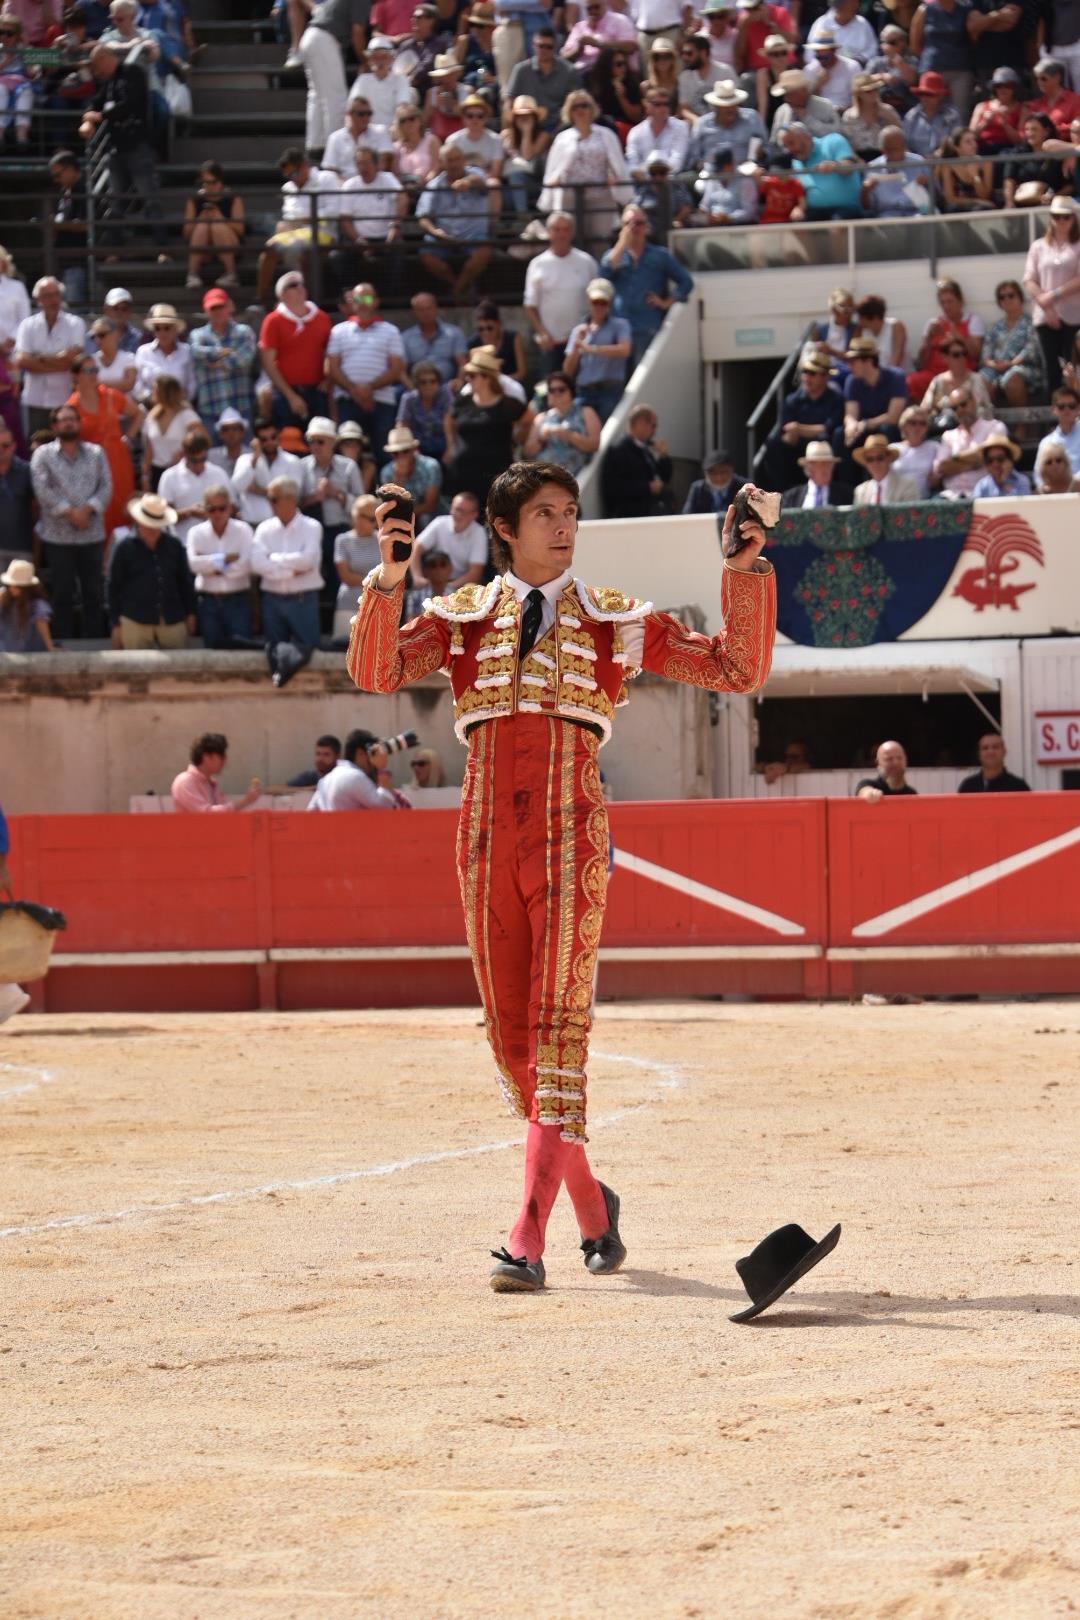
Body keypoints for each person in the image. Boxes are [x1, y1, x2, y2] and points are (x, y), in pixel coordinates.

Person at [345, 458, 776, 1291]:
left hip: (571, 832)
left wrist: (744, 570)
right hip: (483, 839)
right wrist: (390, 577)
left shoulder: (615, 618)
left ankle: (526, 1238)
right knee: (512, 1044)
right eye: (545, 513)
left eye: (571, 511)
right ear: (505, 530)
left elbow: (736, 670)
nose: (565, 525)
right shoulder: (463, 615)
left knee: (557, 1030)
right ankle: (591, 1205)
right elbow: (375, 672)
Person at [29, 402, 111, 637]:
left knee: (93, 593)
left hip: (91, 534)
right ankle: (64, 642)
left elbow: (106, 486)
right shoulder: (43, 455)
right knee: (62, 593)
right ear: (55, 426)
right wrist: (71, 513)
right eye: (64, 420)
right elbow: (42, 489)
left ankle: (94, 640)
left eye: (72, 419)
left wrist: (88, 510)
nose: (69, 424)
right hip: (58, 537)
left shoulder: (96, 453)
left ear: (79, 423)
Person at [78, 44, 165, 259]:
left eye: (97, 65)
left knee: (149, 195)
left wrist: (101, 117)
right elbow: (95, 102)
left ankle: (162, 245)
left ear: (106, 58)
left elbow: (130, 103)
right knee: (115, 198)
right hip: (116, 147)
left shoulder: (131, 72)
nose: (97, 71)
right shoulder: (109, 82)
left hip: (136, 144)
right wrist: (88, 116)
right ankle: (114, 248)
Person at [601, 203, 693, 367]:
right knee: (620, 380)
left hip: (647, 327)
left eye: (639, 223)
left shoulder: (660, 255)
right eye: (628, 223)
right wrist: (622, 244)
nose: (634, 228)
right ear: (621, 227)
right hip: (619, 331)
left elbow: (686, 282)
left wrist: (666, 303)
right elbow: (603, 276)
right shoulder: (613, 255)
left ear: (646, 227)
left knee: (643, 375)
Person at [538, 89, 630, 252]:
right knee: (571, 241)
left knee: (600, 241)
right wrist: (554, 180)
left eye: (584, 105)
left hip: (600, 195)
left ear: (591, 108)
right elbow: (554, 167)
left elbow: (616, 162)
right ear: (569, 111)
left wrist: (613, 175)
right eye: (575, 107)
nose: (580, 110)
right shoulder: (562, 138)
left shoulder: (606, 134)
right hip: (570, 196)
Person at [324, 283, 406, 461]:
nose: (362, 303)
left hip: (382, 401)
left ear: (376, 302)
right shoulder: (338, 331)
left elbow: (397, 368)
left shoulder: (391, 331)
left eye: (367, 298)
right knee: (347, 457)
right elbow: (332, 368)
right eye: (358, 299)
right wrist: (355, 391)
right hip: (348, 400)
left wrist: (369, 389)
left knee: (384, 454)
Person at [106, 491, 197, 649]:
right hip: (134, 619)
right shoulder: (124, 548)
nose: (152, 529)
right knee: (135, 663)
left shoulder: (174, 546)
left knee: (178, 662)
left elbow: (185, 582)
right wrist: (116, 624)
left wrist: (191, 613)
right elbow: (113, 587)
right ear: (139, 521)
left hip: (171, 617)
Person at [66, 352, 139, 538]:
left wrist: (129, 437)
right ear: (76, 376)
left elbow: (139, 414)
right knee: (100, 512)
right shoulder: (71, 406)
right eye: (88, 371)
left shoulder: (111, 395)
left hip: (118, 462)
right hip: (92, 467)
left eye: (95, 370)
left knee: (123, 508)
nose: (94, 374)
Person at [443, 345, 528, 504]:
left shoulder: (508, 404)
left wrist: (518, 441)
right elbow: (449, 418)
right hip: (463, 473)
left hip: (495, 474)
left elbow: (528, 420)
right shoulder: (463, 401)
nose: (468, 379)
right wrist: (450, 445)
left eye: (472, 375)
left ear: (487, 377)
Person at [257, 148, 341, 306]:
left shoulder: (327, 178)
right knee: (269, 249)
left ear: (304, 166)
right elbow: (289, 215)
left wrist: (306, 218)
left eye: (293, 174)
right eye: (287, 175)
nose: (291, 179)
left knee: (299, 251)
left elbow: (334, 210)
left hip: (323, 232)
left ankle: (304, 302)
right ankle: (260, 300)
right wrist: (295, 222)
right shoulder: (288, 187)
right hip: (293, 232)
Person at [250, 474, 323, 653]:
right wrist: (291, 570)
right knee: (274, 656)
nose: (269, 503)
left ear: (291, 500)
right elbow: (256, 564)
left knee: (309, 654)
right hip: (272, 601)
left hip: (303, 601)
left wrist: (273, 558)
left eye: (274, 499)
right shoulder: (264, 528)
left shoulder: (312, 526)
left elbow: (308, 561)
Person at [417, 142, 498, 302]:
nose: (454, 164)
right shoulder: (435, 185)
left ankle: (456, 291)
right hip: (444, 238)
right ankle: (460, 288)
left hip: (473, 235)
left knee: (485, 251)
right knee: (426, 256)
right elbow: (422, 217)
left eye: (457, 159)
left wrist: (468, 182)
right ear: (442, 163)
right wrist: (435, 232)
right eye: (450, 160)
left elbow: (482, 183)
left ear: (463, 160)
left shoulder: (476, 173)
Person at [522, 211, 597, 377]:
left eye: (566, 229)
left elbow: (597, 300)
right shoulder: (537, 264)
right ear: (549, 232)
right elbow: (530, 305)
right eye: (557, 229)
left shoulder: (587, 262)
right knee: (552, 388)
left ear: (572, 232)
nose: (562, 234)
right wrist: (542, 333)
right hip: (551, 344)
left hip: (582, 342)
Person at [258, 271, 332, 431]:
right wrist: (291, 396)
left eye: (301, 284)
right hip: (285, 394)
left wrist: (328, 379)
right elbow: (268, 363)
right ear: (282, 295)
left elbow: (330, 353)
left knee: (319, 439)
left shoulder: (322, 318)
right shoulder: (273, 320)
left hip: (317, 392)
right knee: (289, 440)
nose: (300, 287)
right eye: (293, 285)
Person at [14, 276, 86, 438]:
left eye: (56, 294)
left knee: (66, 444)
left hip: (65, 399)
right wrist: (59, 360)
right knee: (35, 445)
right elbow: (22, 361)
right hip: (34, 399)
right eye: (47, 296)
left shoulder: (75, 323)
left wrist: (38, 359)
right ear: (38, 300)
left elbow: (73, 360)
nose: (53, 300)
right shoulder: (27, 325)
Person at [184, 482, 254, 647]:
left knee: (242, 650)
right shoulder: (195, 533)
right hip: (208, 603)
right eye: (212, 509)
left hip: (238, 600)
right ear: (204, 510)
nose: (217, 513)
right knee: (212, 652)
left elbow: (247, 565)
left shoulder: (243, 530)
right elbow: (193, 565)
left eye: (221, 508)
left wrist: (210, 565)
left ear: (230, 508)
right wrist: (225, 560)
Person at [333, 144, 408, 293]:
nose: (363, 168)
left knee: (398, 254)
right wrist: (358, 239)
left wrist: (395, 226)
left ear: (376, 164)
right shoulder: (350, 185)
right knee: (338, 257)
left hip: (386, 237)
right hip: (358, 238)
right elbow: (345, 219)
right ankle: (352, 296)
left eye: (367, 163)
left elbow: (402, 198)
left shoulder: (387, 179)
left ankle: (391, 299)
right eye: (359, 164)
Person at [297, 0, 368, 154]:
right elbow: (357, 33)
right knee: (336, 98)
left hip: (310, 37)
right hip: (324, 39)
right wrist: (365, 61)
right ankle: (336, 151)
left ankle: (315, 146)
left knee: (317, 96)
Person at [1023, 196, 1080, 389]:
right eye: (1057, 216)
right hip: (1045, 317)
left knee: (1074, 369)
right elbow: (1029, 279)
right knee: (1051, 370)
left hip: (1074, 317)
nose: (1061, 221)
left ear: (1073, 218)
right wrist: (1046, 306)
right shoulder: (1038, 246)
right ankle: (1054, 407)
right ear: (1050, 218)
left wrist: (1053, 295)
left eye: (1066, 217)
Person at [766, 351, 845, 488]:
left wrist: (799, 429)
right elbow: (786, 433)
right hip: (799, 449)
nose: (807, 377)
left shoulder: (836, 399)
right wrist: (796, 433)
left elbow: (830, 427)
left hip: (826, 447)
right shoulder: (792, 400)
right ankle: (781, 492)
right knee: (773, 444)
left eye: (812, 373)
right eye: (805, 372)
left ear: (825, 376)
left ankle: (839, 488)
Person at [562, 276, 632, 423]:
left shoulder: (620, 325)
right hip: (584, 392)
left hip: (610, 391)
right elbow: (567, 371)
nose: (599, 307)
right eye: (595, 302)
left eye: (603, 303)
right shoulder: (578, 330)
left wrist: (592, 349)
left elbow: (625, 350)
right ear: (589, 302)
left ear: (609, 304)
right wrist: (576, 347)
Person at [907, 274, 985, 399]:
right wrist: (928, 339)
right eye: (942, 302)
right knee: (911, 381)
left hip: (961, 373)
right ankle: (924, 410)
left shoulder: (973, 321)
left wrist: (959, 338)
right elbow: (921, 362)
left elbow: (976, 354)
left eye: (950, 301)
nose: (946, 306)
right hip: (933, 374)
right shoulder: (933, 323)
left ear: (960, 301)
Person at [189, 290, 256, 429]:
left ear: (229, 307)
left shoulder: (244, 332)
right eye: (213, 308)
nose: (218, 311)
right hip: (211, 409)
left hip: (241, 407)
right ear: (206, 311)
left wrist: (217, 362)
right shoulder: (197, 334)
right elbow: (195, 352)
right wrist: (221, 352)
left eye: (221, 306)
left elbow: (245, 359)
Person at [158, 426, 235, 542]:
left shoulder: (219, 473)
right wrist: (189, 512)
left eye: (202, 459)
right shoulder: (169, 476)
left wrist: (213, 512)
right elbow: (163, 515)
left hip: (216, 543)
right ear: (184, 454)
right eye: (194, 461)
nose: (199, 465)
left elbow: (232, 508)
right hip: (181, 543)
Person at [929, 384, 1006, 498]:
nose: (960, 410)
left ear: (974, 402)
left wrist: (955, 459)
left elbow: (988, 457)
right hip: (951, 496)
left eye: (963, 404)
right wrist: (974, 463)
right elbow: (942, 467)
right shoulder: (948, 436)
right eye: (955, 408)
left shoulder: (994, 427)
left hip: (984, 494)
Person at [778, 120, 862, 221]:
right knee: (797, 225)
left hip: (846, 209)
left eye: (791, 143)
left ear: (805, 137)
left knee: (837, 226)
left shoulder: (834, 141)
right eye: (785, 146)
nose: (789, 149)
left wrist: (836, 166)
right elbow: (800, 193)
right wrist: (799, 208)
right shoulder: (795, 162)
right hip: (814, 211)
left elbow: (849, 168)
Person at [600, 401, 671, 517]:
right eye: (653, 426)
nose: (655, 431)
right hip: (630, 517)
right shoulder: (619, 450)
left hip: (649, 513)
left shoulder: (645, 449)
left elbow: (665, 477)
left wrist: (663, 456)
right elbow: (613, 488)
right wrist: (647, 487)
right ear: (640, 423)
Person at [841, 336, 908, 459]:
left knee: (887, 429)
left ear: (868, 361)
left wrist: (866, 424)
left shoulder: (895, 377)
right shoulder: (852, 381)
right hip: (863, 429)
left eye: (853, 362)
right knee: (840, 434)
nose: (849, 366)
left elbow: (893, 417)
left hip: (885, 428)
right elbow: (851, 413)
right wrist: (851, 425)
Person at [183, 160, 245, 291]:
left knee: (217, 225)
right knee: (203, 225)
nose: (210, 187)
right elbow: (187, 232)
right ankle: (192, 274)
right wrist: (199, 219)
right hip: (203, 247)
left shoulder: (233, 198)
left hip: (228, 244)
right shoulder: (194, 198)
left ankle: (231, 274)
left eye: (214, 182)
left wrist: (221, 218)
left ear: (221, 181)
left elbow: (240, 230)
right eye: (206, 183)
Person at [978, 281, 1041, 410]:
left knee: (1013, 378)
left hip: (1022, 368)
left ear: (1020, 297)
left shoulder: (1030, 323)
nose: (1007, 299)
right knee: (981, 379)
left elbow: (1031, 350)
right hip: (997, 369)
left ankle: (1020, 421)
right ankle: (989, 419)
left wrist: (1010, 364)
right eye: (1002, 297)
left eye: (1011, 295)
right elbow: (985, 356)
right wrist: (994, 365)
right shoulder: (995, 327)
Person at [504, 25, 580, 133]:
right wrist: (509, 129)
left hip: (557, 126)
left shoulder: (569, 71)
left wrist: (557, 132)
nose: (544, 50)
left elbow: (573, 104)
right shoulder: (521, 70)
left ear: (555, 48)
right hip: (525, 123)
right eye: (540, 46)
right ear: (533, 46)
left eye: (548, 47)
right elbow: (509, 102)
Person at [524, 371, 600, 476]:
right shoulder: (541, 418)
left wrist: (568, 435)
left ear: (571, 391)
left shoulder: (586, 412)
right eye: (552, 390)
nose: (556, 393)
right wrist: (541, 439)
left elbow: (594, 445)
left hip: (574, 475)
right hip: (545, 475)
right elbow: (528, 452)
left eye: (561, 389)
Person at [233, 416, 303, 528]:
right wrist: (254, 460)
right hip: (251, 524)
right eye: (264, 439)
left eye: (273, 437)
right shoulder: (245, 460)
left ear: (278, 436)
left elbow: (293, 495)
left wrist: (260, 490)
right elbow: (238, 486)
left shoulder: (292, 461)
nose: (270, 442)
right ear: (256, 440)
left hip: (282, 525)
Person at [307, 727, 399, 810]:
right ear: (361, 753)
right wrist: (381, 768)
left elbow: (311, 811)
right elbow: (385, 807)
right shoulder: (355, 777)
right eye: (372, 754)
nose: (373, 760)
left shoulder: (326, 780)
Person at [413, 489, 487, 589]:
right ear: (451, 508)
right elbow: (416, 548)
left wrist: (447, 588)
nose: (459, 515)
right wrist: (417, 577)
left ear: (475, 515)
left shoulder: (479, 533)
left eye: (465, 512)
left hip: (461, 587)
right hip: (433, 582)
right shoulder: (439, 522)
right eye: (457, 509)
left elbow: (475, 573)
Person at [171, 732, 262, 812]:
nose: (224, 761)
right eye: (221, 756)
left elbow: (224, 813)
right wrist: (245, 801)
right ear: (206, 757)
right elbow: (206, 815)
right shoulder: (185, 782)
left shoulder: (211, 783)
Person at [140, 374, 201, 493]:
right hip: (156, 472)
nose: (152, 392)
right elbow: (149, 449)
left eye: (155, 389)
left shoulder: (187, 415)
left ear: (165, 393)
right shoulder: (151, 417)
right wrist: (145, 476)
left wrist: (184, 453)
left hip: (182, 471)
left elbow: (201, 441)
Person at [687, 78, 767, 168]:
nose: (730, 109)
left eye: (733, 104)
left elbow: (767, 151)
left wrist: (761, 153)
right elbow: (693, 158)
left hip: (747, 171)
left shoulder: (752, 118)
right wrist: (704, 165)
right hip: (712, 172)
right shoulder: (702, 124)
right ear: (716, 107)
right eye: (725, 106)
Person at [332, 491, 382, 636]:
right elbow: (345, 577)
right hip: (349, 601)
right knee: (345, 644)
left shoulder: (382, 539)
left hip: (377, 602)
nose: (375, 523)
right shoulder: (342, 540)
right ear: (357, 516)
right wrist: (376, 582)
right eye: (371, 519)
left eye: (377, 519)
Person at [379, 423, 442, 525]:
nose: (401, 456)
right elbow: (392, 506)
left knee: (425, 518)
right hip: (404, 516)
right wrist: (399, 483)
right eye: (396, 453)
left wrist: (404, 513)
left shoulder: (431, 466)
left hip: (430, 517)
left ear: (414, 449)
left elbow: (431, 506)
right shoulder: (386, 472)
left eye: (405, 451)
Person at [48, 149, 89, 308]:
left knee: (75, 310)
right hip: (65, 260)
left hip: (77, 260)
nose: (56, 180)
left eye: (58, 175)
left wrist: (57, 225)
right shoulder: (66, 192)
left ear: (71, 169)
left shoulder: (83, 190)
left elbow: (84, 224)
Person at [348, 33, 416, 129]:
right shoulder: (362, 80)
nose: (380, 61)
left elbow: (402, 109)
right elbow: (353, 108)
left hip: (393, 132)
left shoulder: (401, 80)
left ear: (391, 59)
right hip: (366, 131)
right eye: (375, 57)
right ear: (369, 60)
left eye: (384, 57)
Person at [861, 127, 931, 218]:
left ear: (904, 147)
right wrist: (865, 191)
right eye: (888, 150)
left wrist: (927, 183)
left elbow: (936, 196)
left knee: (923, 220)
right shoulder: (873, 168)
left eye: (896, 149)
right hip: (887, 214)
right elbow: (867, 208)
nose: (893, 153)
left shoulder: (919, 162)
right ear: (882, 149)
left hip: (917, 212)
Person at [134, 305, 195, 407]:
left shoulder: (186, 351)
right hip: (149, 407)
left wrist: (181, 399)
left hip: (179, 407)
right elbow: (137, 384)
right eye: (157, 328)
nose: (162, 332)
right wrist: (152, 399)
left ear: (175, 330)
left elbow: (192, 383)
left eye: (167, 328)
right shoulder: (143, 351)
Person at [323, 94, 395, 180]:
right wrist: (346, 185)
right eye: (361, 114)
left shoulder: (380, 132)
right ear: (349, 114)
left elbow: (385, 162)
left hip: (374, 181)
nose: (366, 117)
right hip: (344, 183)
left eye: (369, 113)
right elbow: (330, 169)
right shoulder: (335, 138)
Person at [401, 290, 467, 385]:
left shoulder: (454, 333)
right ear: (414, 312)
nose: (425, 313)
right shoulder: (406, 338)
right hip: (418, 387)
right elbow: (401, 371)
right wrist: (412, 389)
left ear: (436, 309)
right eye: (421, 310)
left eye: (428, 308)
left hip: (447, 386)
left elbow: (463, 364)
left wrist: (459, 381)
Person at [625, 82, 690, 177]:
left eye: (666, 104)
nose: (663, 108)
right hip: (643, 181)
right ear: (646, 104)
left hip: (671, 180)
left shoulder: (680, 127)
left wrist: (660, 173)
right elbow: (632, 163)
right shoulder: (635, 132)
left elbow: (677, 160)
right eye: (657, 104)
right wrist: (642, 175)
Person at [920, 336, 993, 417]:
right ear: (945, 358)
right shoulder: (938, 381)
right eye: (956, 355)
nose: (962, 358)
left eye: (964, 354)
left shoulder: (976, 379)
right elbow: (925, 408)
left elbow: (984, 411)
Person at [395, 360, 452, 461]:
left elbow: (450, 423)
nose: (428, 385)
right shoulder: (408, 399)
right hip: (417, 448)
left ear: (439, 382)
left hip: (442, 445)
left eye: (433, 381)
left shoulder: (445, 395)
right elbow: (402, 425)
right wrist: (412, 451)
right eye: (423, 382)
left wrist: (450, 449)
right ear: (416, 384)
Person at [768, 66, 841, 142]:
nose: (786, 99)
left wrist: (808, 119)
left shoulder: (825, 106)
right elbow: (774, 141)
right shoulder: (782, 111)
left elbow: (837, 135)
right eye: (785, 95)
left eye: (790, 94)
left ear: (803, 92)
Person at [901, 69, 962, 157]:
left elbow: (956, 142)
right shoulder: (911, 117)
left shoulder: (952, 116)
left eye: (930, 94)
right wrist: (918, 160)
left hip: (945, 161)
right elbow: (904, 145)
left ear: (940, 96)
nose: (925, 98)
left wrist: (939, 155)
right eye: (922, 94)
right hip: (916, 163)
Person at [561, 0, 635, 72]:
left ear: (605, 4)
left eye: (596, 7)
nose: (593, 11)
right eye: (589, 8)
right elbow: (563, 57)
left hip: (610, 71)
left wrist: (599, 44)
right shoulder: (580, 27)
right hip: (582, 71)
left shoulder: (620, 20)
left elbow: (630, 47)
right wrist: (578, 49)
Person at [0, 423, 34, 573]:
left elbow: (37, 510)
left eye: (5, 445)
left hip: (21, 550)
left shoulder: (27, 471)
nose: (1, 450)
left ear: (14, 446)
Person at [0, 557, 54, 652]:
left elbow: (42, 624)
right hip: (5, 649)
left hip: (29, 650)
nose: (12, 588)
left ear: (26, 588)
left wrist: (50, 647)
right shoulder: (3, 596)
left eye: (16, 585)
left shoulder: (37, 604)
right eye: (10, 585)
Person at [842, 72, 901, 156]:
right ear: (859, 94)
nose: (874, 93)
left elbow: (900, 136)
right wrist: (857, 160)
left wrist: (890, 118)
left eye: (876, 89)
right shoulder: (849, 116)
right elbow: (847, 145)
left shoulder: (888, 110)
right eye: (868, 91)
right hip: (859, 158)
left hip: (884, 157)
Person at [782, 439, 854, 508]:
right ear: (809, 467)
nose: (827, 468)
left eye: (830, 464)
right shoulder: (791, 497)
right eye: (823, 464)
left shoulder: (847, 494)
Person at [936, 128, 993, 213]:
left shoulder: (986, 163)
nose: (974, 144)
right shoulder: (948, 166)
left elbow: (985, 196)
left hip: (981, 208)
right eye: (968, 142)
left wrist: (975, 176)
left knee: (982, 209)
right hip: (960, 207)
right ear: (957, 147)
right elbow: (950, 198)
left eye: (974, 140)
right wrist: (976, 201)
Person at [852, 434, 921, 504]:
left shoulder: (907, 486)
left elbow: (910, 510)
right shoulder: (860, 491)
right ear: (866, 464)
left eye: (880, 458)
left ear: (889, 459)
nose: (875, 463)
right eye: (870, 459)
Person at [958, 733, 1030, 793]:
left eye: (995, 747)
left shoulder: (1018, 787)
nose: (990, 752)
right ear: (979, 754)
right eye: (985, 748)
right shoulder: (968, 787)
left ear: (1004, 752)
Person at [682, 448, 746, 515]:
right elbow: (687, 514)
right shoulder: (698, 488)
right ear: (705, 473)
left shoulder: (743, 486)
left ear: (731, 470)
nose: (719, 477)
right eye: (713, 473)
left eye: (723, 472)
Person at [892, 405, 938, 499]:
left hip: (923, 501)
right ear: (904, 425)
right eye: (912, 423)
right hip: (896, 501)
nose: (918, 427)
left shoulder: (934, 448)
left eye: (922, 423)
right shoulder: (892, 449)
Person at [970, 433, 1032, 499]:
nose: (995, 464)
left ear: (1010, 460)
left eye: (1000, 459)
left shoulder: (1022, 482)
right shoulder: (982, 485)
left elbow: (1023, 504)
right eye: (990, 460)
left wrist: (1004, 481)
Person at [855, 294, 907, 372]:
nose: (859, 321)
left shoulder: (895, 326)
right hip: (873, 376)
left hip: (896, 375)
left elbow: (898, 357)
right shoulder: (862, 331)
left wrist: (884, 377)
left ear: (874, 317)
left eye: (861, 317)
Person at [1036, 384, 1080, 476]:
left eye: (1072, 406)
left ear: (1078, 408)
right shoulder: (1046, 443)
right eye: (1061, 406)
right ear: (1053, 409)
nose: (1067, 410)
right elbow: (1039, 475)